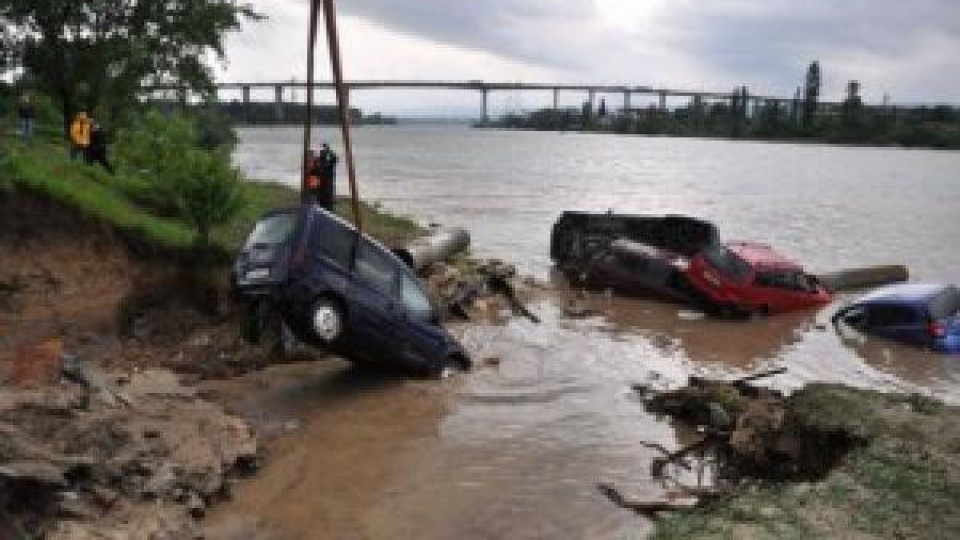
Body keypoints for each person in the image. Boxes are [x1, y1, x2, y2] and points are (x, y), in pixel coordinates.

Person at [317, 143, 338, 210]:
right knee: (326, 189)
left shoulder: (325, 153)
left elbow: (333, 161)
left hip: (326, 174)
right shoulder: (328, 153)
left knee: (326, 189)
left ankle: (326, 205)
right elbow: (334, 161)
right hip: (327, 174)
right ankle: (327, 205)